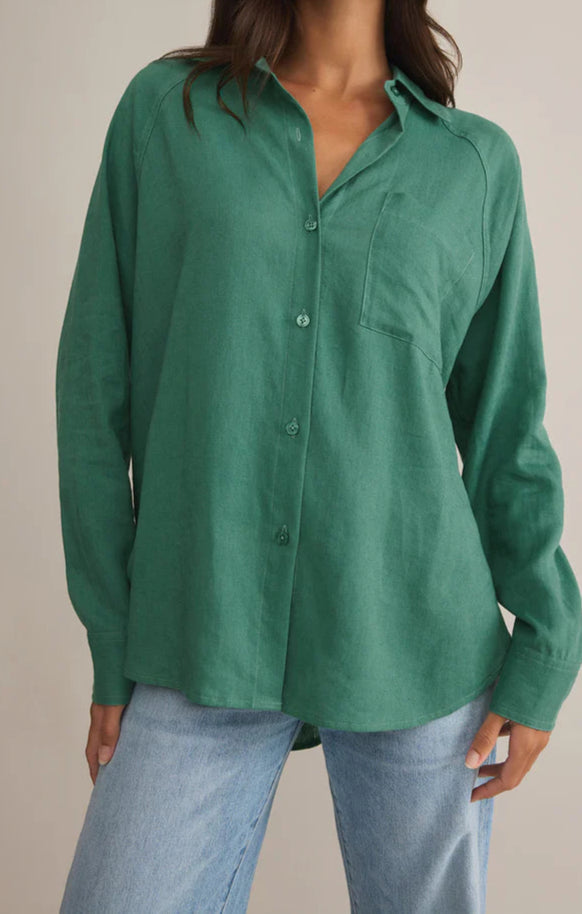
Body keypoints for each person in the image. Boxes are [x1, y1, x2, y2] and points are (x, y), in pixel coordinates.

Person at [56, 1, 582, 912]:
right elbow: (94, 385)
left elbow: (506, 428)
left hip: (417, 640)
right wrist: (111, 633)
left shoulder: (472, 164)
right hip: (200, 623)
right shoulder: (169, 115)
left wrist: (547, 646)